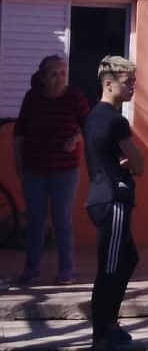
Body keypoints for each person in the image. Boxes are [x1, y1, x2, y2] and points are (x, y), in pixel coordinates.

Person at [12, 55, 90, 286]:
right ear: (44, 77)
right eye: (54, 74)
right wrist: (18, 163)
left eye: (63, 73)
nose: (59, 78)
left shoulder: (74, 97)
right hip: (34, 169)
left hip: (65, 171)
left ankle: (66, 270)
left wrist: (76, 138)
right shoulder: (32, 98)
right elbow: (20, 132)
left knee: (61, 220)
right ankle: (31, 270)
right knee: (35, 220)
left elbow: (89, 125)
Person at [83, 56, 144, 351]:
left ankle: (109, 325)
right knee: (109, 268)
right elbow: (140, 163)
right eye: (128, 81)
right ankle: (102, 334)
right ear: (109, 84)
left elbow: (103, 153)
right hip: (113, 199)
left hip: (101, 197)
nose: (133, 86)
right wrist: (129, 162)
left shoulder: (93, 116)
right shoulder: (116, 120)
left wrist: (119, 160)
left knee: (128, 258)